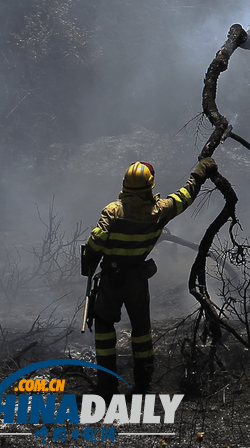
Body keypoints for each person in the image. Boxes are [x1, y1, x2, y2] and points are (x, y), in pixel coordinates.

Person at [82, 157, 217, 399]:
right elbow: (185, 196)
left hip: (111, 281)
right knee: (142, 331)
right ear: (150, 186)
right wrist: (201, 171)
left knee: (103, 328)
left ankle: (107, 386)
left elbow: (96, 241)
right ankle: (143, 386)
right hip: (137, 279)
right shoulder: (160, 211)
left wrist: (90, 253)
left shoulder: (113, 211)